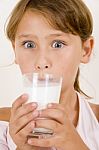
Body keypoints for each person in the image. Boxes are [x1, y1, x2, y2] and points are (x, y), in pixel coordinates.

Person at [0, 0, 99, 149]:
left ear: (85, 50)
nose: (41, 61)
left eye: (58, 44)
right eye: (29, 44)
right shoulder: (3, 126)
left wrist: (73, 144)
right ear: (15, 50)